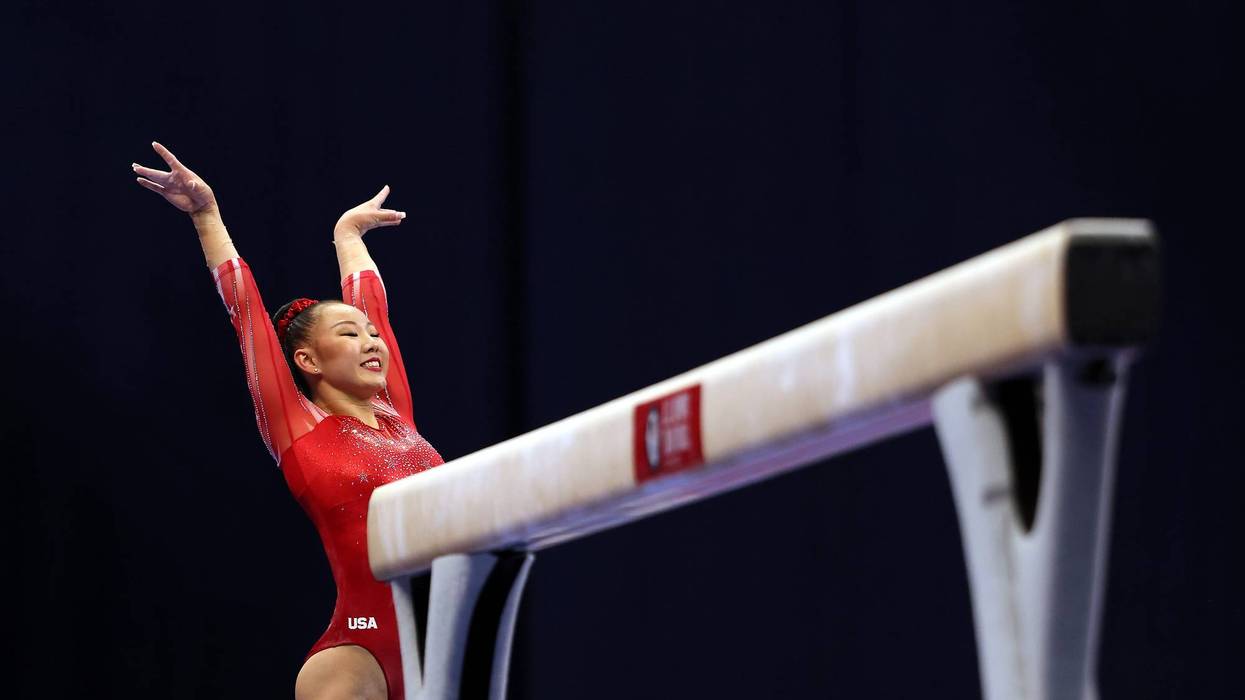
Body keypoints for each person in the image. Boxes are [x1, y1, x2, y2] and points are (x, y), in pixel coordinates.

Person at [133, 141, 444, 700]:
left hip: (443, 649)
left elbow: (376, 309)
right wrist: (207, 215)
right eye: (349, 336)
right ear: (307, 362)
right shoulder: (298, 428)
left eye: (372, 336)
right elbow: (246, 313)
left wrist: (348, 238)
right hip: (362, 648)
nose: (372, 342)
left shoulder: (396, 413)